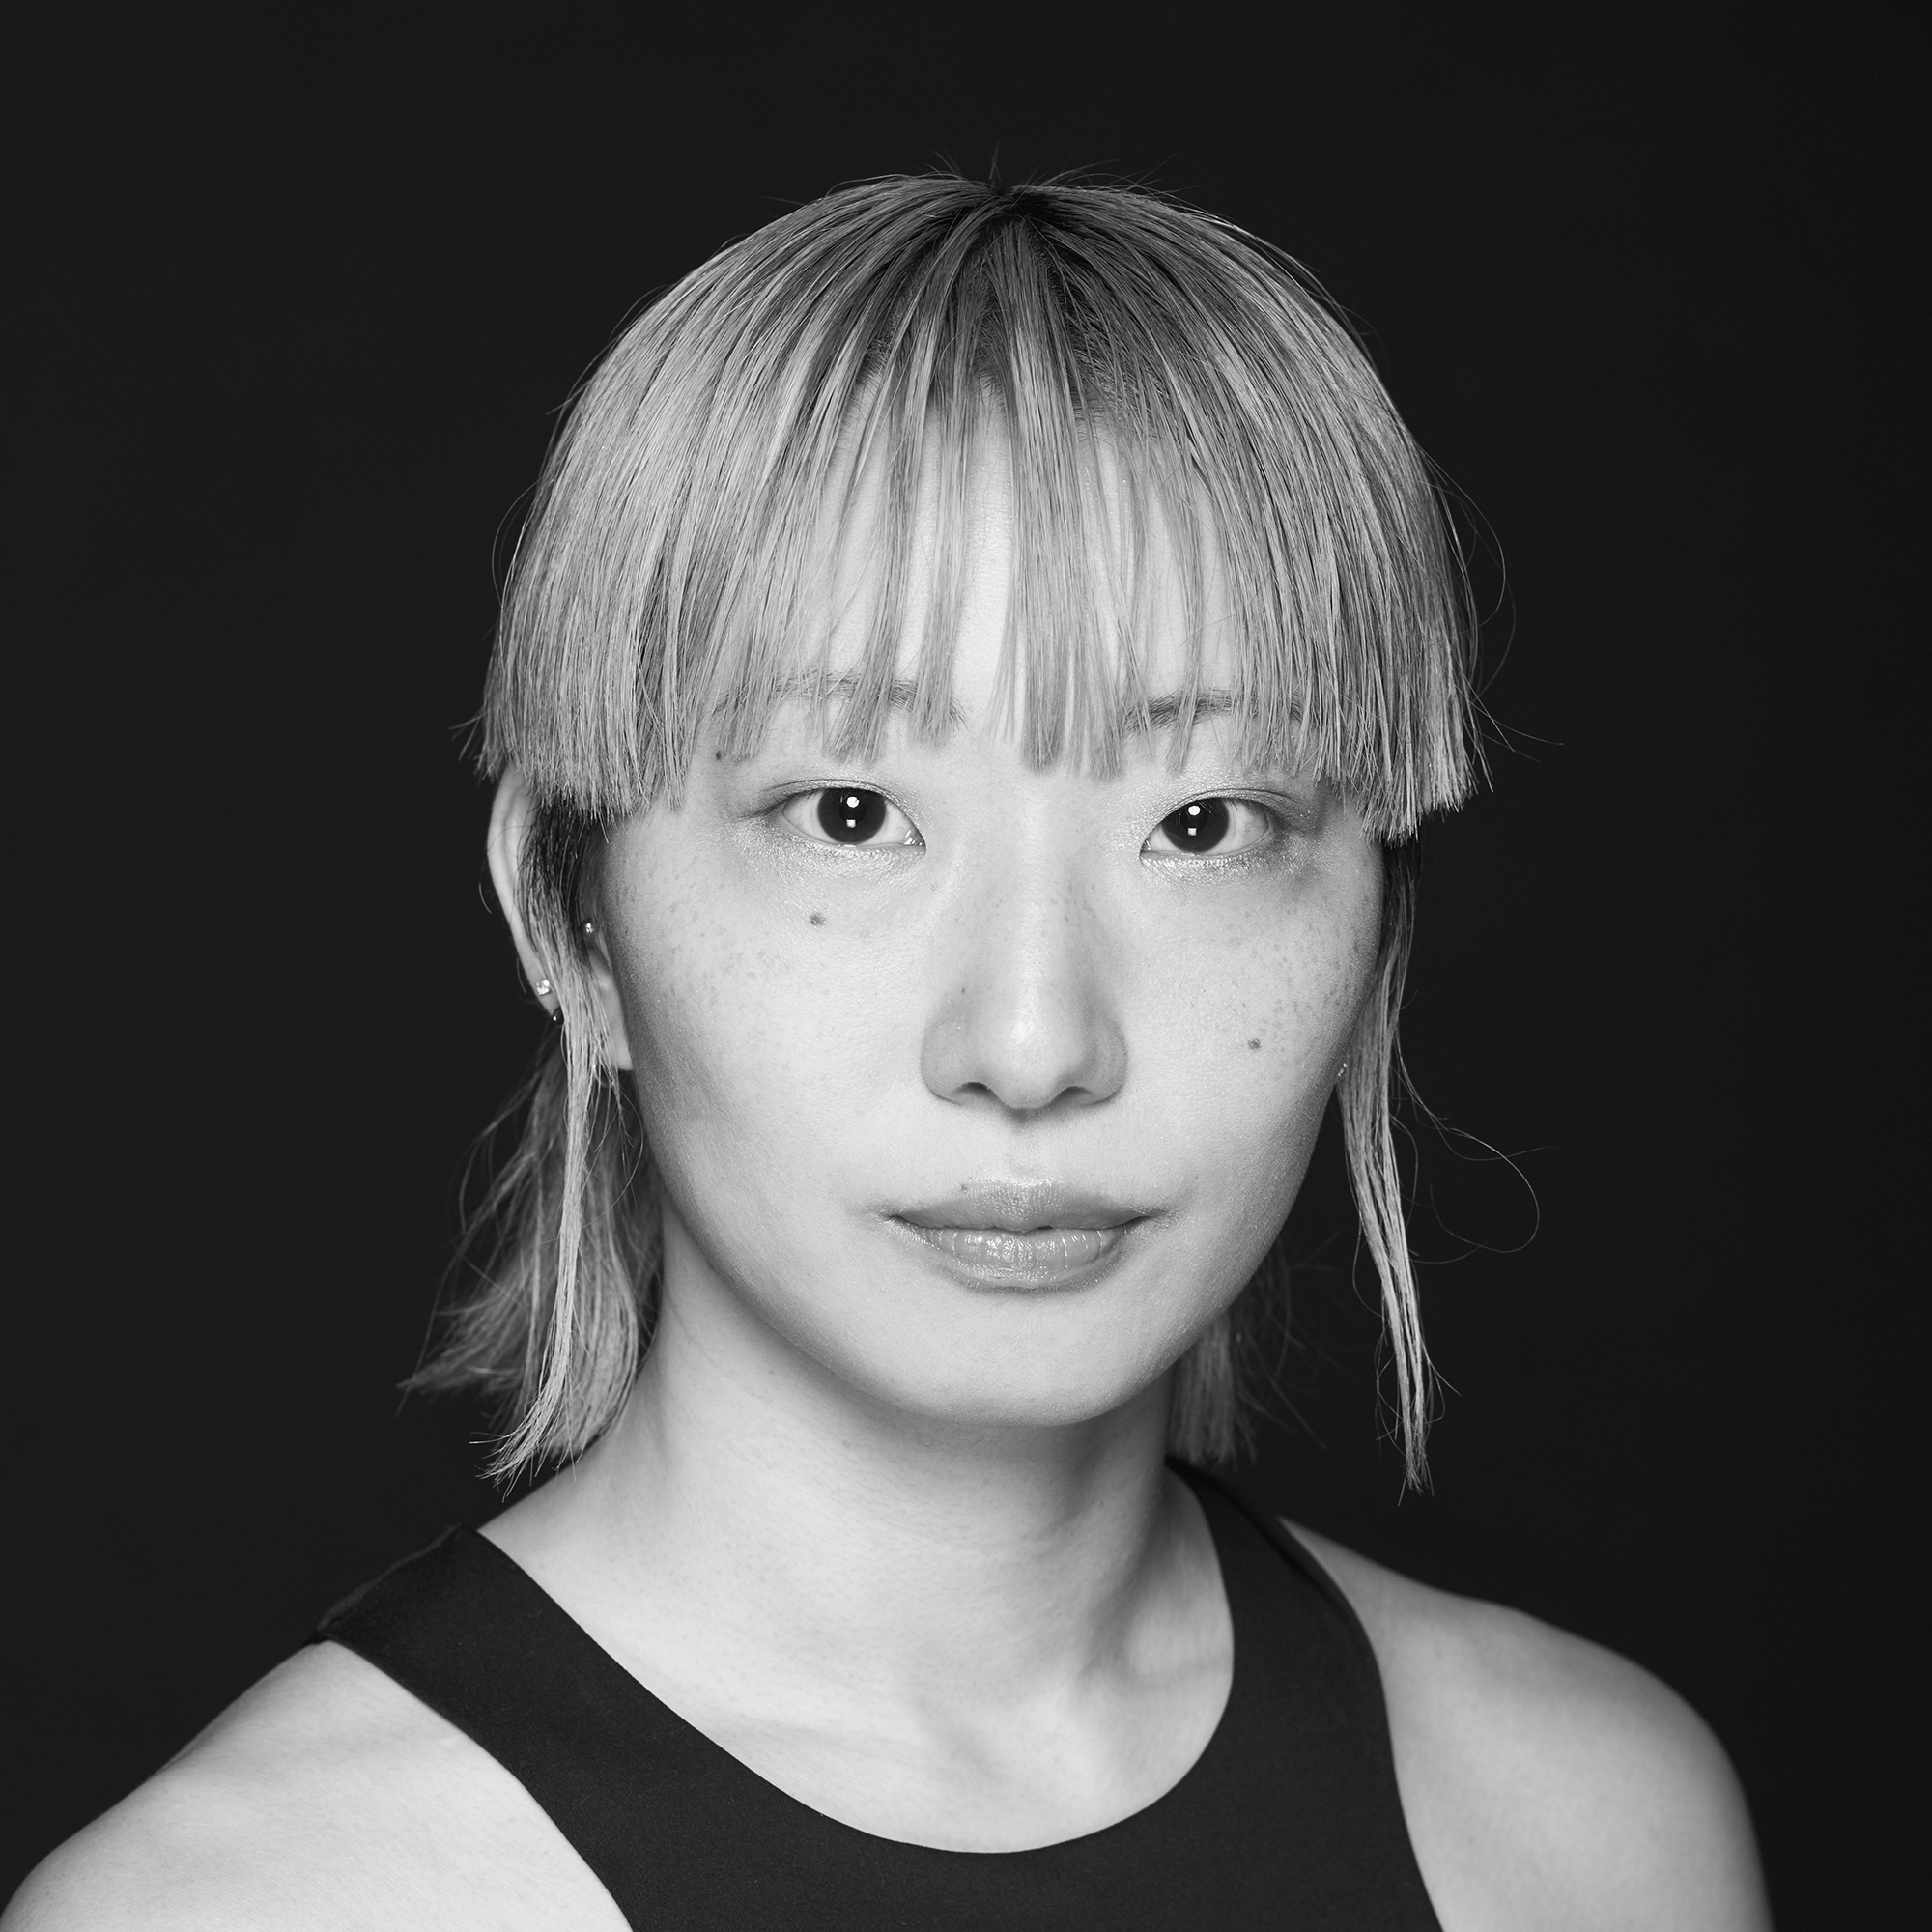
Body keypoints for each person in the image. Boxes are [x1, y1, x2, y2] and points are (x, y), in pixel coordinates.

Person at [6, 175, 1771, 1931]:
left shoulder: (1595, 1836)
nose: (1034, 1043)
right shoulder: (244, 1906)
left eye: (1205, 823)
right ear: (568, 916)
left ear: (1378, 911)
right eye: (849, 814)